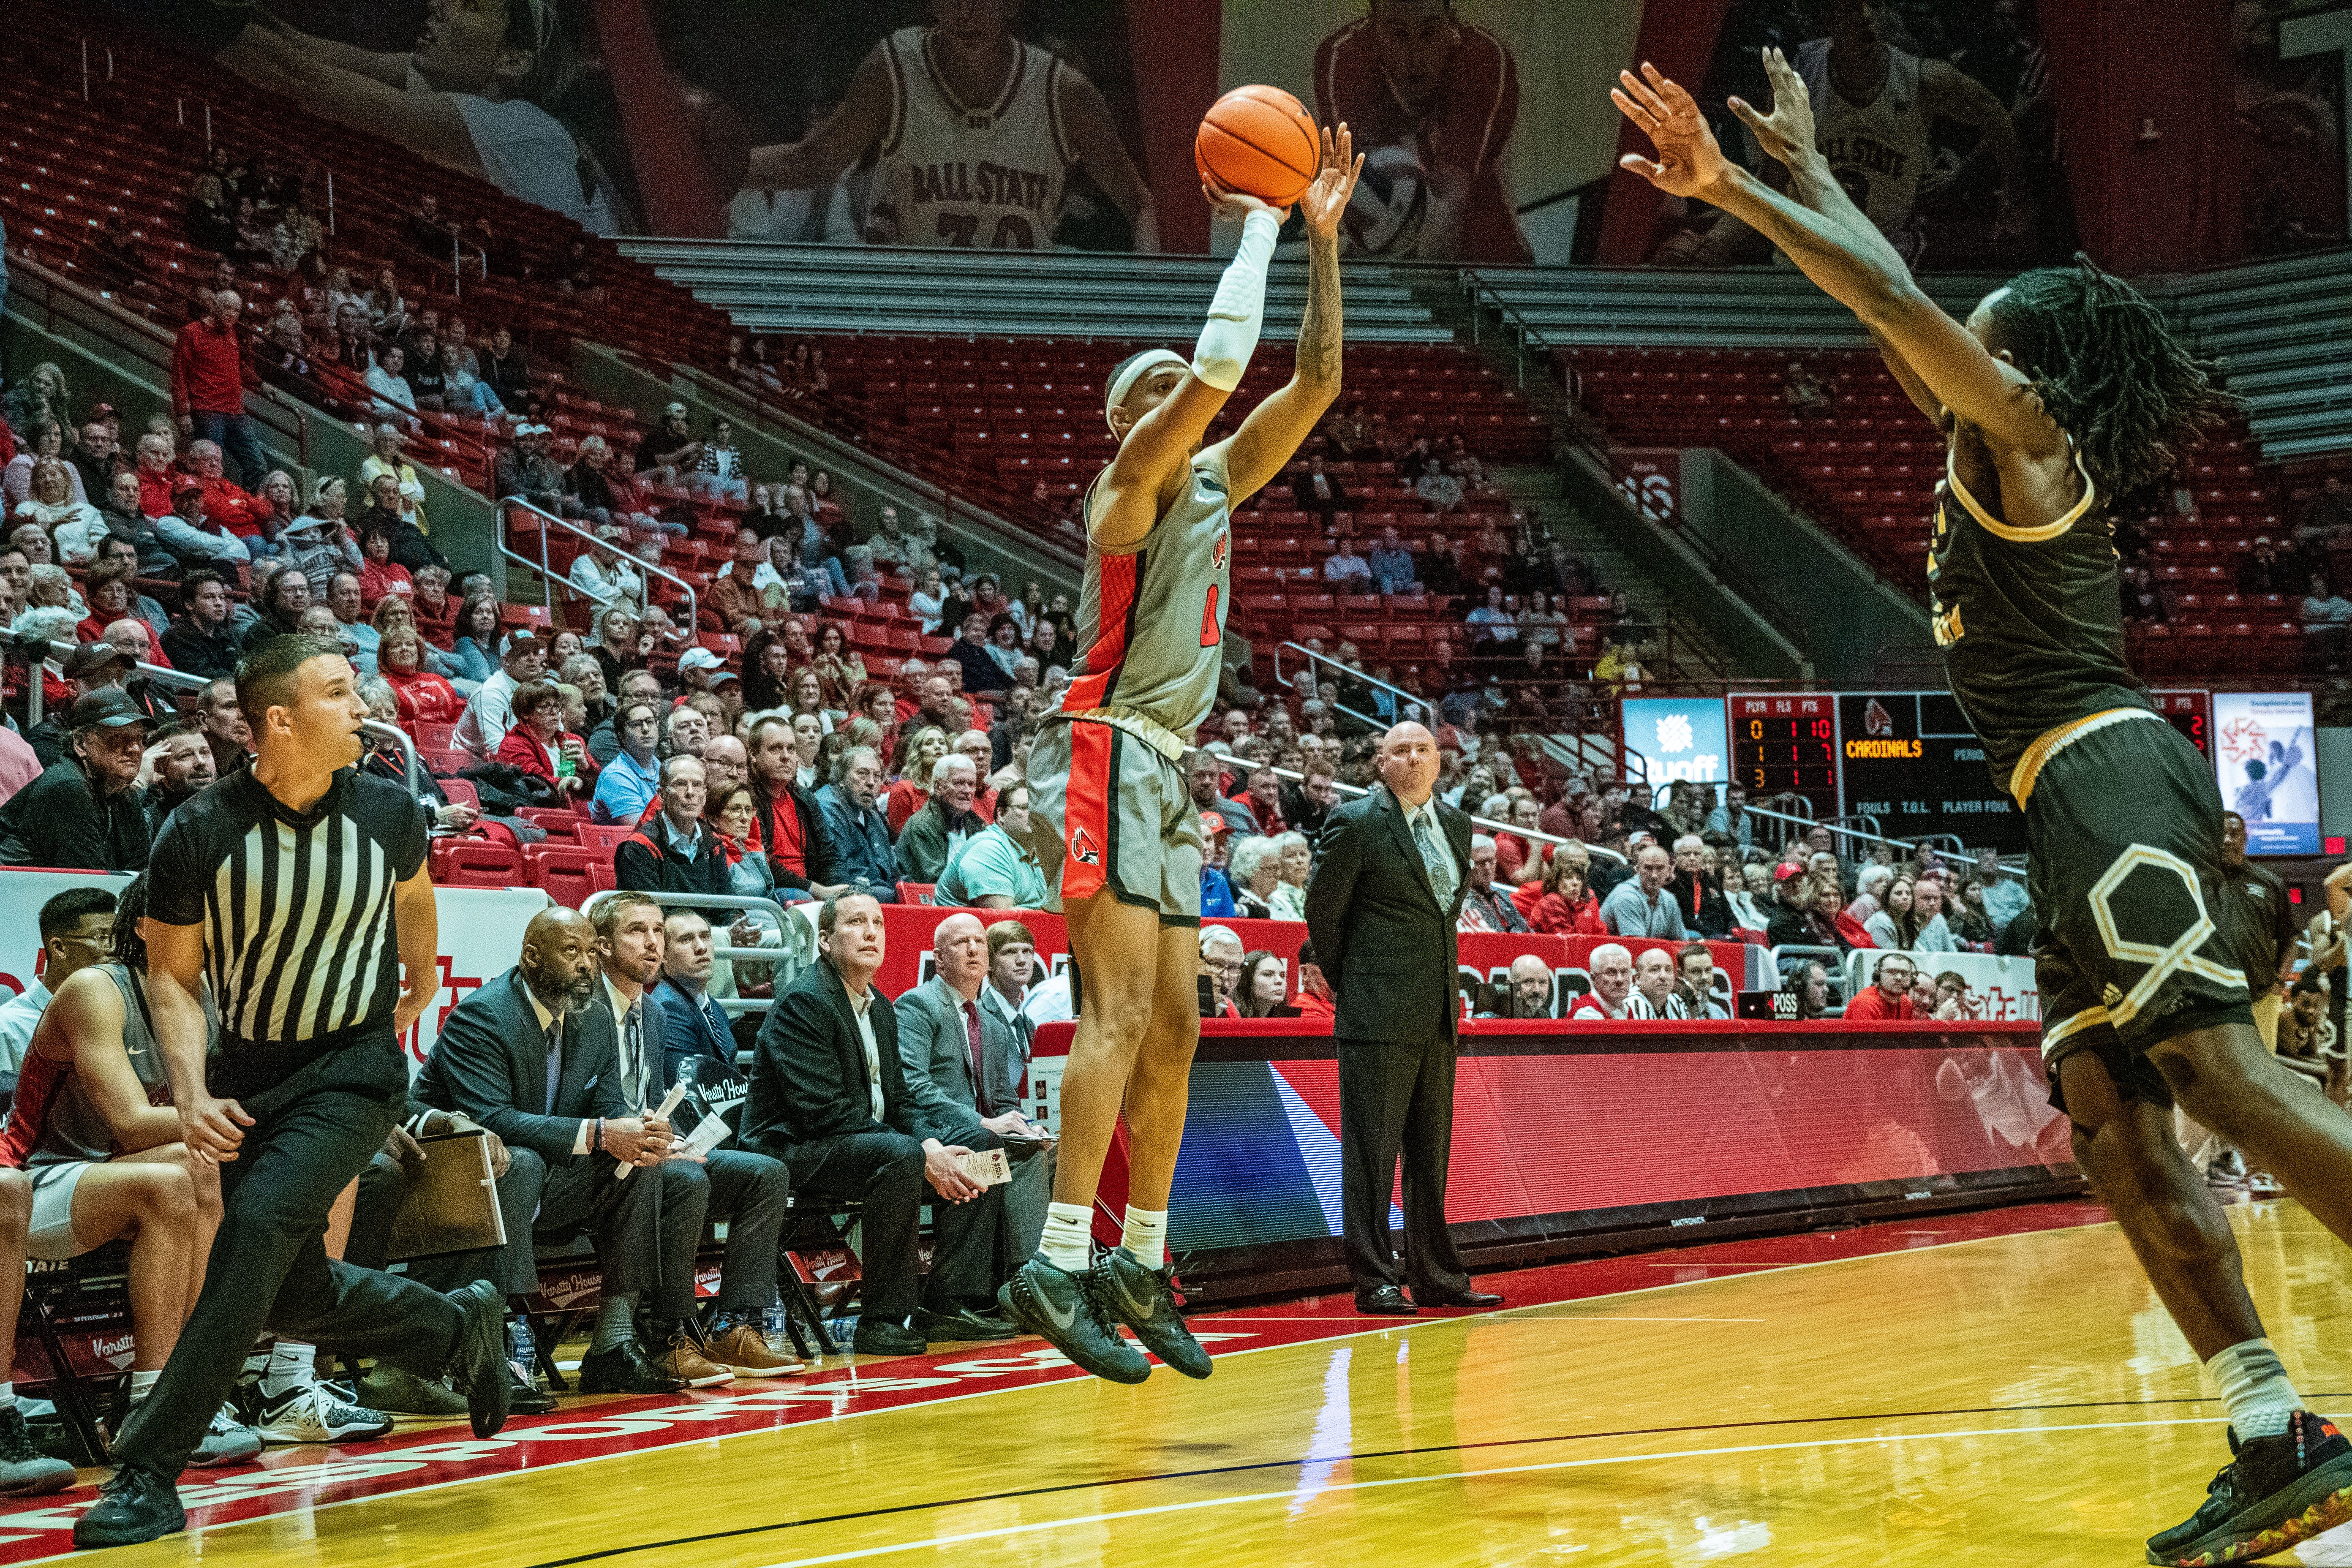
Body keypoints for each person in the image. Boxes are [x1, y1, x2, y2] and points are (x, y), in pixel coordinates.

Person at [1616, 48, 2352, 1563]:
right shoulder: (1981, 436)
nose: (1958, 328)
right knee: (2114, 1128)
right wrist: (1811, 174)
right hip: (2061, 799)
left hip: (2102, 767)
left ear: (2024, 356)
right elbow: (1891, 300)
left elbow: (1893, 302)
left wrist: (1734, 189)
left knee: (2217, 1078)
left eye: (1986, 317)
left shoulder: (2026, 437)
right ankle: (2272, 1425)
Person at [1001, 128, 1358, 1385]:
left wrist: (1322, 243)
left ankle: (1137, 1258)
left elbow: (1313, 383)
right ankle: (1056, 1256)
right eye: (1152, 393)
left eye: (1176, 392)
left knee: (1176, 1027)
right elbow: (1217, 366)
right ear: (1125, 421)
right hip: (1103, 747)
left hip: (1167, 765)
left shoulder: (1214, 483)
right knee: (1110, 1015)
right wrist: (1259, 219)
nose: (1181, 400)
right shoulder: (1124, 492)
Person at [76, 636, 511, 1549]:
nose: (364, 708)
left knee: (255, 1230)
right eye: (339, 693)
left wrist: (409, 994)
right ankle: (453, 1324)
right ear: (279, 719)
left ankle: (148, 1468)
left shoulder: (389, 811)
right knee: (284, 1292)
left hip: (352, 1071)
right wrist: (190, 1091)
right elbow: (171, 978)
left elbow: (416, 914)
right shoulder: (198, 828)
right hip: (249, 1075)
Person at [0, 876, 266, 1464]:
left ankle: (179, 1390)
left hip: (110, 1175)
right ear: (149, 928)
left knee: (200, 1166)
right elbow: (132, 1122)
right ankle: (151, 1403)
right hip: (38, 1177)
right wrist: (259, 1117)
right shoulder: (96, 990)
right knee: (174, 1176)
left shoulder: (207, 996)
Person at [397, 906, 696, 1399]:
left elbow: (608, 1108)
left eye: (591, 952)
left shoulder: (595, 1015)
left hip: (544, 1177)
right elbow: (490, 1120)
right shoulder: (485, 1015)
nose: (586, 964)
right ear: (531, 956)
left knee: (640, 1163)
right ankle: (494, 1352)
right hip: (453, 1178)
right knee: (522, 1161)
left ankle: (614, 1343)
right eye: (571, 951)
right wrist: (601, 1133)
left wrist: (639, 1131)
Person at [740, 893, 1010, 1356]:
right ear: (825, 940)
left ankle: (949, 1301)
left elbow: (900, 1101)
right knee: (900, 1155)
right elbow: (822, 1112)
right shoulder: (804, 1001)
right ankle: (882, 1318)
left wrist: (930, 1143)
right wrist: (921, 1153)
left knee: (981, 1144)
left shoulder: (881, 1007)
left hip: (863, 1141)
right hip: (794, 1146)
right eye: (856, 923)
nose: (870, 932)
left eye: (878, 923)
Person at [1304, 722, 1499, 1318]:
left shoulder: (1458, 825)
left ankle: (1436, 1274)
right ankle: (1374, 1279)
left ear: (1439, 761)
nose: (1414, 759)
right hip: (1376, 1011)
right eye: (1401, 751)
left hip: (1438, 1010)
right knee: (1372, 1156)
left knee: (1429, 1154)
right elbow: (1323, 911)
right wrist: (1356, 983)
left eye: (1423, 750)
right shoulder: (1356, 822)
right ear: (1380, 763)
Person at [746, 0, 1156, 252]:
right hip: (911, 307)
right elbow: (811, 162)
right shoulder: (894, 69)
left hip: (1016, 312)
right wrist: (716, 167)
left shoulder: (1063, 91)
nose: (965, 11)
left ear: (1012, 4)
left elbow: (1141, 205)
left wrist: (1155, 315)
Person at [584, 894, 796, 1379]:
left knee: (765, 1175)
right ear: (603, 946)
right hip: (602, 1154)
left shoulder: (652, 1013)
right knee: (686, 1180)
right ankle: (669, 1335)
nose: (652, 942)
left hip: (647, 1149)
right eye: (637, 931)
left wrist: (673, 1138)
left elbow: (657, 1100)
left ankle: (735, 1326)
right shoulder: (586, 1009)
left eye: (658, 931)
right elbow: (588, 1102)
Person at [894, 913, 1055, 1308]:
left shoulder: (992, 1025)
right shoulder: (917, 1005)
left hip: (982, 1134)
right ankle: (1022, 1284)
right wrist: (984, 1122)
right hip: (935, 1132)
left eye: (979, 942)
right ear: (939, 959)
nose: (972, 950)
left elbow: (1004, 1100)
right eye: (960, 943)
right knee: (995, 1150)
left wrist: (1027, 1127)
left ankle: (1032, 1275)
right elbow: (912, 1085)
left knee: (1050, 1149)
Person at [1310, 0, 1533, 264]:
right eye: (1399, 35)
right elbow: (1352, 190)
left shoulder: (1483, 60)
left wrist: (1416, 281)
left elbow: (1451, 198)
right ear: (1374, 29)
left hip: (1483, 254)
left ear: (1450, 23)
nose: (1416, 56)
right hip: (1381, 258)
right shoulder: (1345, 59)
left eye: (1429, 33)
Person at [0, 689, 154, 871]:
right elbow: (89, 882)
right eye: (118, 738)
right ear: (80, 744)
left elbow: (143, 874)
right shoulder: (69, 787)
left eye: (141, 739)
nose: (135, 749)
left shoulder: (124, 795)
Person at [0, 887, 116, 1073]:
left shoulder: (120, 1015)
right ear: (59, 948)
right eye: (102, 937)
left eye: (118, 936)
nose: (114, 948)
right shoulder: (8, 1027)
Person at [169, 291, 265, 491]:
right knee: (209, 468)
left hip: (235, 411)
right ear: (215, 307)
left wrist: (260, 383)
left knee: (257, 465)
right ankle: (212, 504)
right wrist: (183, 412)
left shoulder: (232, 333)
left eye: (237, 310)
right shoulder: (191, 332)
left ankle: (247, 506)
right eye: (228, 308)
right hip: (207, 410)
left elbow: (237, 365)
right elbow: (179, 374)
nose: (232, 314)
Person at [615, 756, 730, 895]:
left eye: (697, 785)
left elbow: (726, 904)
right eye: (681, 784)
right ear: (662, 795)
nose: (690, 792)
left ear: (705, 796)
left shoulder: (714, 845)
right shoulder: (639, 848)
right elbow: (646, 908)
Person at [937, 781, 1048, 911]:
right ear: (1001, 815)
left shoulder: (1042, 850)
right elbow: (1003, 918)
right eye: (1025, 807)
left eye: (1039, 807)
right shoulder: (987, 850)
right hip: (958, 923)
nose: (1035, 814)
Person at [896, 754, 985, 885]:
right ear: (938, 787)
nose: (967, 791)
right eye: (959, 783)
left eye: (971, 784)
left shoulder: (977, 825)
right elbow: (936, 880)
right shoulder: (921, 826)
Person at [1600, 844, 1689, 941]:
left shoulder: (1669, 899)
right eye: (1648, 868)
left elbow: (1682, 941)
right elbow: (1637, 946)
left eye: (1660, 868)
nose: (1654, 875)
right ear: (1637, 870)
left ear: (1669, 871)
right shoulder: (1626, 897)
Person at [1457, 834, 1531, 933]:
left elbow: (1527, 931)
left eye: (1491, 861)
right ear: (1468, 865)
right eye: (1480, 863)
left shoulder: (1502, 895)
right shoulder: (1464, 900)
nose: (1487, 867)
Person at [1567, 943, 1636, 1021]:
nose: (1620, 980)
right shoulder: (1587, 1013)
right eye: (1611, 973)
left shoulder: (1625, 1009)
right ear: (1594, 979)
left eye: (1625, 972)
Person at [1845, 953, 1919, 1022]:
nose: (1899, 978)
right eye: (1892, 972)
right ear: (1878, 975)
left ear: (1912, 978)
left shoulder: (1906, 1003)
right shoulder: (1864, 1004)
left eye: (1905, 973)